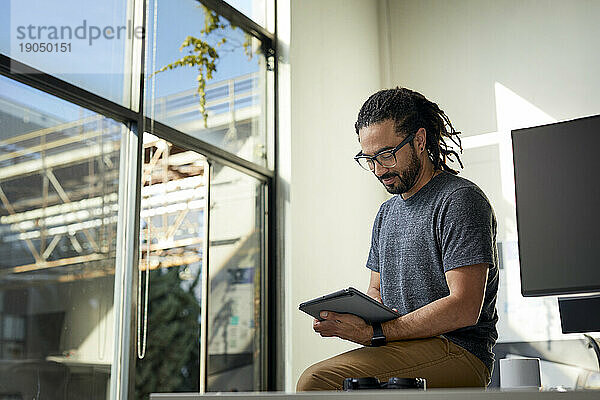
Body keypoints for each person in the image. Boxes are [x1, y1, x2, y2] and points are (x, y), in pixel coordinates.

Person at [296, 87, 499, 391]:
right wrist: (363, 312)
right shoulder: (386, 213)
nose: (379, 169)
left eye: (387, 155)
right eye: (369, 158)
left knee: (316, 381)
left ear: (419, 141)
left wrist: (375, 333)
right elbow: (376, 288)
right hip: (400, 345)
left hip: (459, 352)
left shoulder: (460, 200)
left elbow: (464, 307)